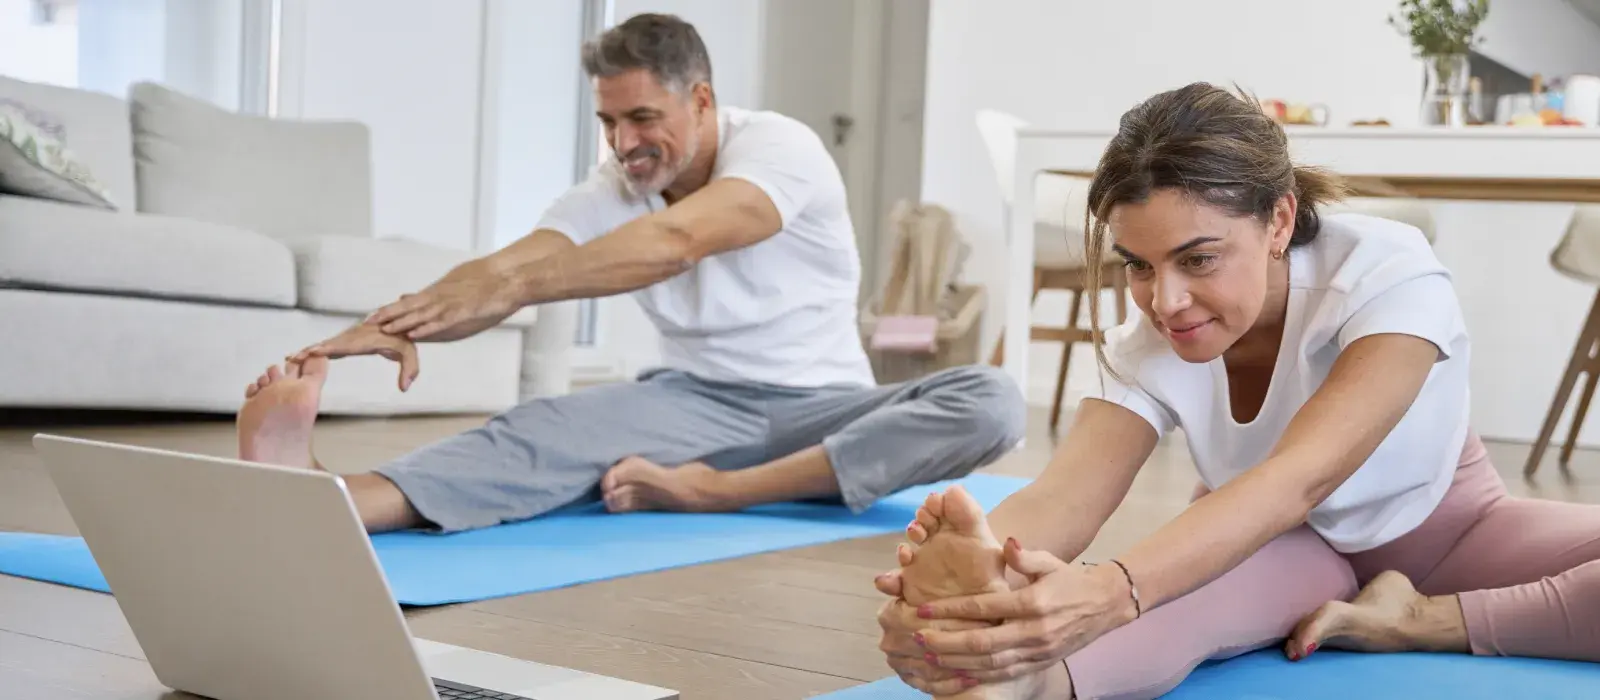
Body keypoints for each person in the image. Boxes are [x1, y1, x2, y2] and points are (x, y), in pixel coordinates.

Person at [869, 83, 1600, 699]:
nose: (1167, 300)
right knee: (1163, 617)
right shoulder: (1146, 335)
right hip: (1277, 548)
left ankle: (1419, 622)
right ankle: (1012, 684)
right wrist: (976, 595)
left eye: (1200, 258)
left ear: (1279, 219)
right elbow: (1062, 499)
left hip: (1451, 526)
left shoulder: (1388, 273)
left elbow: (1299, 480)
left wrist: (1111, 590)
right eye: (1139, 265)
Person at [234, 13, 1026, 534]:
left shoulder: (780, 149)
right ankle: (318, 499)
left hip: (828, 409)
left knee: (991, 398)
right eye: (609, 122)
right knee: (537, 429)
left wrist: (510, 288)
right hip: (689, 407)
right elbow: (515, 263)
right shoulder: (615, 185)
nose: (624, 143)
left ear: (703, 100)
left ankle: (713, 491)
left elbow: (679, 240)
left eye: (643, 118)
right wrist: (398, 322)